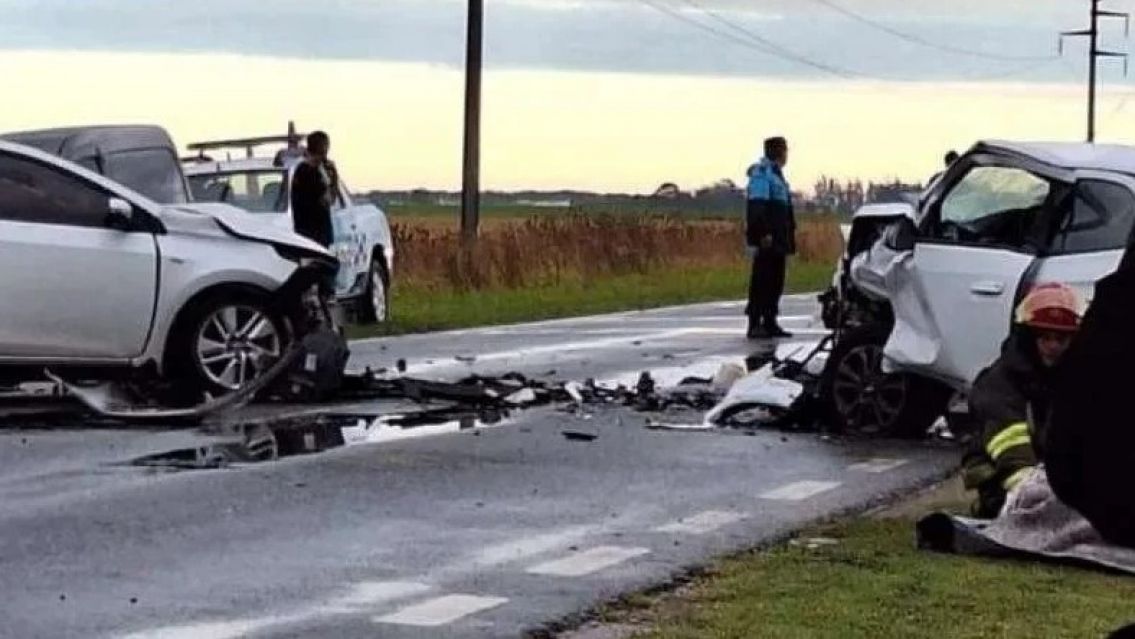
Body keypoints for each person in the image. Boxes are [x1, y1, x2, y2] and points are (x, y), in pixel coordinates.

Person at [961, 283, 1084, 518]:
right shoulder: (1001, 381)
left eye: (1062, 338)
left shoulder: (1079, 377)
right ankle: (994, 504)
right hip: (1007, 472)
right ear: (1028, 337)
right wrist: (1030, 490)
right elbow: (1009, 440)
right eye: (1045, 337)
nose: (1053, 346)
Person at [745, 136, 796, 339]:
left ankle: (770, 321)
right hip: (768, 238)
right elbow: (757, 207)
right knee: (762, 280)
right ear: (779, 152)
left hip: (779, 238)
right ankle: (755, 322)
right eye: (785, 150)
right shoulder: (762, 174)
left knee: (776, 280)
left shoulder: (776, 175)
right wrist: (763, 233)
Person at [290, 131, 340, 296]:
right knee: (323, 271)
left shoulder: (301, 170)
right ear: (323, 148)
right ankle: (323, 302)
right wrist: (334, 179)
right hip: (315, 232)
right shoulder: (310, 172)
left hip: (306, 231)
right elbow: (328, 201)